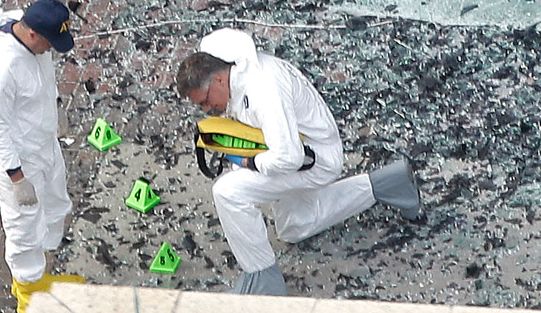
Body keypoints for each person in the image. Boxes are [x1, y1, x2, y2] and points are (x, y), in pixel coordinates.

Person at [176, 28, 420, 295]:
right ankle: (387, 184)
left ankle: (263, 281)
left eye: (205, 101)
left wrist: (250, 163)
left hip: (313, 159)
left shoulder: (263, 90)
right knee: (294, 227)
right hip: (297, 150)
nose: (207, 110)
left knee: (228, 192)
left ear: (219, 80)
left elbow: (289, 157)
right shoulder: (238, 72)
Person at [0, 0, 85, 313]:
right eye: (49, 42)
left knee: (54, 203)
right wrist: (16, 178)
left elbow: (42, 82)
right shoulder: (0, 69)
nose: (51, 49)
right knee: (24, 224)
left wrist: (54, 113)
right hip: (18, 160)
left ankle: (40, 276)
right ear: (32, 34)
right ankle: (28, 294)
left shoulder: (27, 31)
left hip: (41, 143)